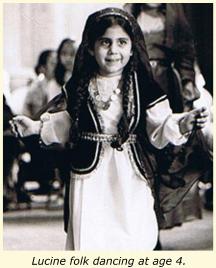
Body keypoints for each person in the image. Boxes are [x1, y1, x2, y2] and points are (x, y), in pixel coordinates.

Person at [10, 8, 208, 250]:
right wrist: (34, 126)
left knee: (133, 233)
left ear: (133, 48)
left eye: (122, 42)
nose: (114, 51)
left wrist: (181, 123)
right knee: (92, 234)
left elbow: (159, 127)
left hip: (130, 175)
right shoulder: (81, 85)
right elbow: (69, 123)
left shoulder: (144, 86)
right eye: (105, 42)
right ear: (91, 48)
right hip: (90, 176)